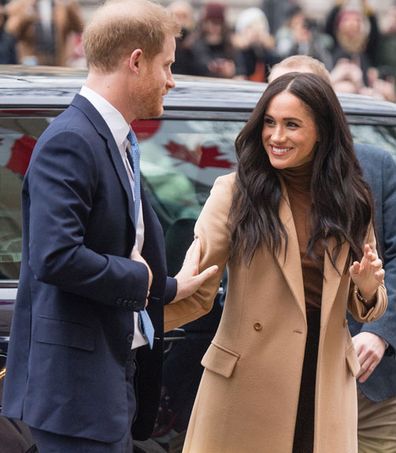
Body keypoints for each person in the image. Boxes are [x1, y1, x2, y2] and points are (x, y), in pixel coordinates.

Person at [1, 0, 218, 452]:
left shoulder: (111, 137)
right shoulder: (71, 140)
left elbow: (115, 241)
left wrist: (169, 286)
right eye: (167, 65)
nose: (172, 80)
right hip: (76, 393)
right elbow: (54, 256)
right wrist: (139, 278)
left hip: (107, 382)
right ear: (136, 61)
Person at [164, 72, 388, 453]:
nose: (276, 136)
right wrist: (138, 314)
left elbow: (366, 301)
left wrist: (367, 287)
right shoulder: (235, 192)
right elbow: (198, 288)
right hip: (248, 382)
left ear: (322, 131)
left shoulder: (352, 199)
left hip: (324, 383)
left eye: (291, 125)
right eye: (269, 122)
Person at [269, 55, 396, 453]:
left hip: (369, 381)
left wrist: (380, 332)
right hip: (283, 376)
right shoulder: (257, 176)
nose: (287, 106)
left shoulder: (375, 166)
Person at [5, 0, 84, 65]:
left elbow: (80, 28)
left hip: (58, 62)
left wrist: (69, 5)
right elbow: (11, 31)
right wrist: (27, 12)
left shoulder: (62, 5)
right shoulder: (19, 4)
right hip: (30, 63)